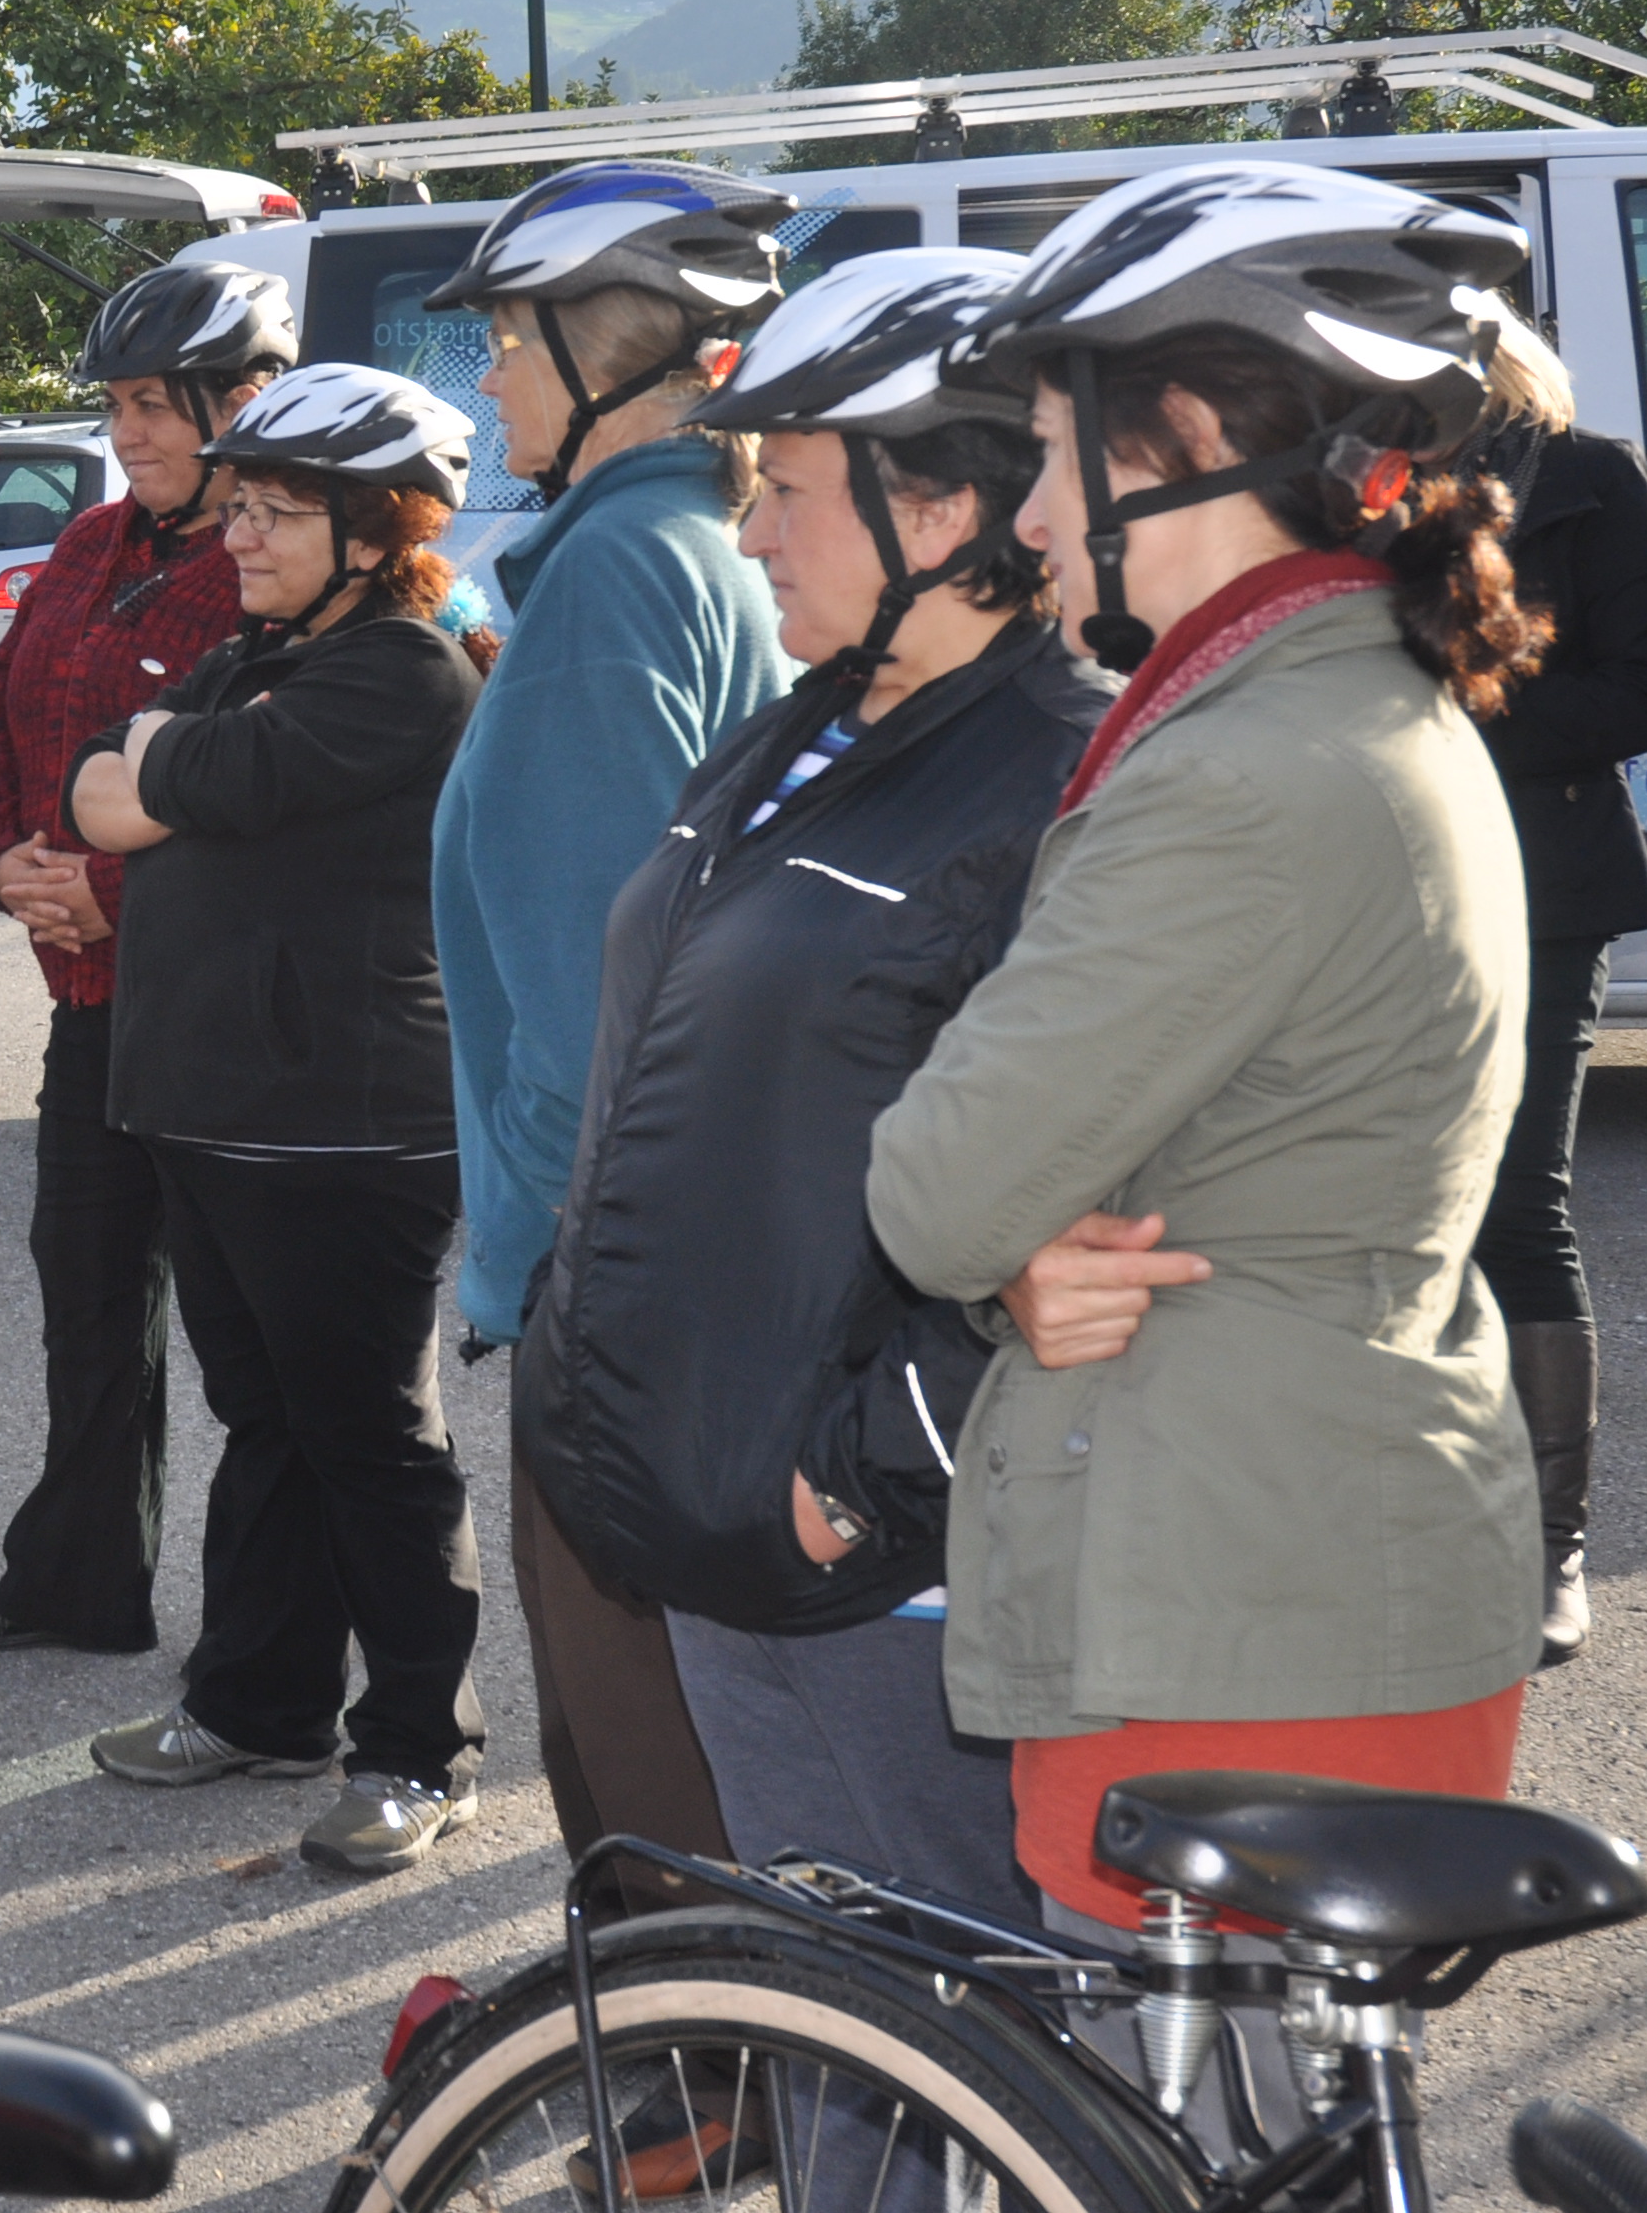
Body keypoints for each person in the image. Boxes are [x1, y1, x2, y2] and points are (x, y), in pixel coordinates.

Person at [867, 161, 1546, 1972]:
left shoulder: (1234, 773)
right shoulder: (1343, 696)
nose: (1027, 511)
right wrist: (1023, 1254)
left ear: (1178, 442)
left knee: (1170, 2111)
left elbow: (935, 1187)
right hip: (1292, 1571)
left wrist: (1005, 1237)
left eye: (1042, 450)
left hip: (1230, 1614)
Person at [513, 249, 1103, 2057]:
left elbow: (1093, 1208)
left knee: (965, 2049)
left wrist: (861, 1481)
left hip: (872, 1572)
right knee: (831, 2037)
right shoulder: (813, 723)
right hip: (711, 1518)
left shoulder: (1057, 776)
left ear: (939, 510)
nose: (750, 527)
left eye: (785, 488)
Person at [417, 161, 794, 1901]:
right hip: (693, 1235)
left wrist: (530, 1263)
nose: (488, 377)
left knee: (638, 1779)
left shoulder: (606, 583)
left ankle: (693, 2041)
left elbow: (588, 1006)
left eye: (508, 339)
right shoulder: (694, 540)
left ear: (608, 361)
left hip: (610, 1263)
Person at [66, 364, 496, 1874]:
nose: (237, 535)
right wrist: (155, 761)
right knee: (268, 1425)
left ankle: (421, 1747)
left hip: (343, 1127)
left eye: (274, 513)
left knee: (371, 1441)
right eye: (237, 505)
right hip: (211, 1110)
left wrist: (158, 760)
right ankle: (259, 1703)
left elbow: (168, 775)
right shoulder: (254, 656)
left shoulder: (401, 674)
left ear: (374, 533)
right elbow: (95, 788)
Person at [0, 262, 286, 1659]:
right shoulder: (85, 547)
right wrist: (6, 866)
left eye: (154, 405)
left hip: (223, 1017)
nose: (126, 432)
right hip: (91, 1014)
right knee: (84, 1296)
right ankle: (81, 1579)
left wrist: (108, 888)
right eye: (117, 405)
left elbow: (268, 800)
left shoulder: (274, 569)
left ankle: (269, 1646)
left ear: (240, 404)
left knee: (253, 1342)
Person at [1461, 315, 1647, 1664]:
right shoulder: (1351, 486)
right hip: (1372, 881)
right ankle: (1426, 1512)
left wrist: (1463, 709)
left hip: (1543, 884)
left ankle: (1552, 1545)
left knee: (1515, 1199)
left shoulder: (1594, 479)